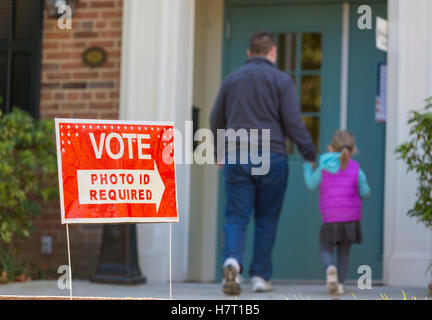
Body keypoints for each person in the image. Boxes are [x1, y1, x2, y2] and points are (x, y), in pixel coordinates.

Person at [210, 31, 316, 295]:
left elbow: (216, 119)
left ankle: (232, 262)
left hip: (236, 154)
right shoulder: (282, 80)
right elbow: (292, 122)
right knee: (266, 219)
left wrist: (218, 152)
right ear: (273, 53)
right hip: (271, 155)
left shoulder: (231, 80)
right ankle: (260, 276)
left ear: (249, 53)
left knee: (236, 215)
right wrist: (309, 152)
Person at [303, 130, 371, 295]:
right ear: (353, 150)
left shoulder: (324, 168)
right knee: (344, 253)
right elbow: (365, 191)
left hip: (331, 218)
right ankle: (339, 284)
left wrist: (307, 167)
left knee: (326, 249)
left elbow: (311, 184)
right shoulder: (356, 169)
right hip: (350, 219)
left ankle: (330, 268)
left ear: (331, 148)